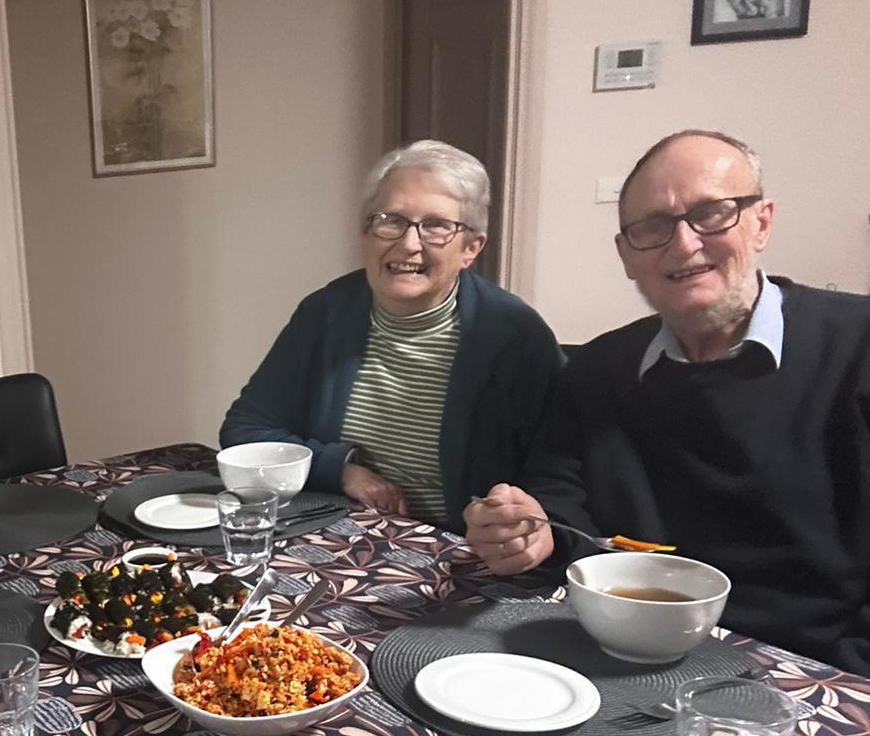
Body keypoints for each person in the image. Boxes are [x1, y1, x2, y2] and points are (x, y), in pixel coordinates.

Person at [464, 129, 870, 674]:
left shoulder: (856, 349)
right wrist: (534, 533)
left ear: (762, 222)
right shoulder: (596, 369)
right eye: (651, 228)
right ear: (627, 254)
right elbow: (558, 494)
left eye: (712, 214)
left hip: (813, 668)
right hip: (617, 644)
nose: (684, 245)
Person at [220, 139, 561, 533]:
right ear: (366, 233)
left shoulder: (515, 335)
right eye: (391, 220)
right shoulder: (326, 313)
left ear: (471, 248)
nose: (409, 243)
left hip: (463, 553)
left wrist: (519, 520)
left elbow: (557, 478)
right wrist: (343, 471)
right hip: (334, 536)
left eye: (436, 226)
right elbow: (246, 432)